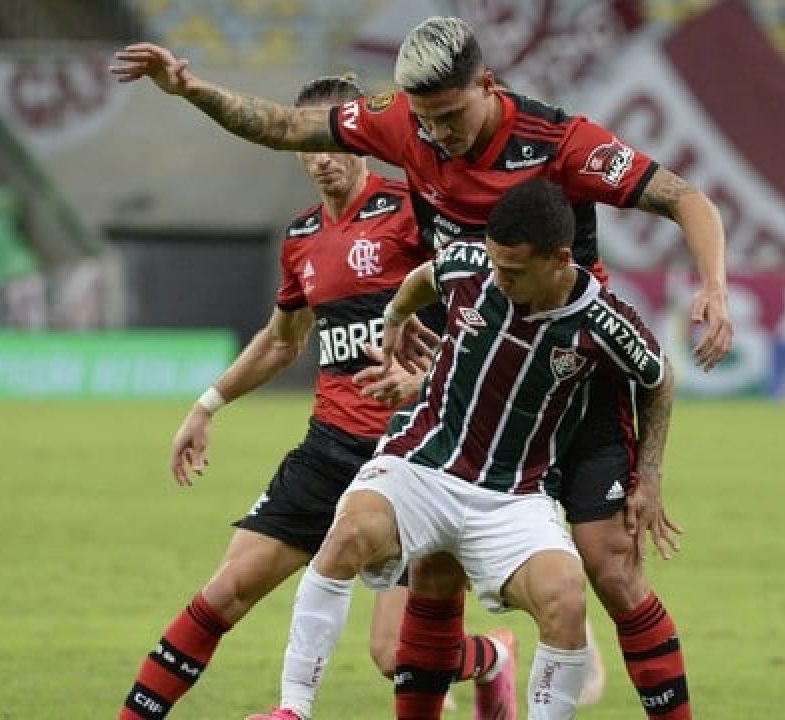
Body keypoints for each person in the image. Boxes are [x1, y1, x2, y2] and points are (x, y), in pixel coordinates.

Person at [112, 17, 718, 718]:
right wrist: (187, 87)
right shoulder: (387, 150)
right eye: (425, 121)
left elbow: (683, 199)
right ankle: (332, 697)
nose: (437, 136)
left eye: (451, 116)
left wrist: (714, 286)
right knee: (415, 576)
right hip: (425, 409)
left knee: (609, 572)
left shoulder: (558, 145)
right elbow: (283, 130)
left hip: (563, 377)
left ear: (487, 87)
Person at [117, 75, 516, 720]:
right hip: (329, 450)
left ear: (359, 138)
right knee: (226, 591)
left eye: (334, 140)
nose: (322, 156)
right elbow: (283, 340)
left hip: (419, 456)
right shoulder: (302, 235)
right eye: (310, 144)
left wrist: (440, 366)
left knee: (396, 654)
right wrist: (207, 404)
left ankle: (493, 658)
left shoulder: (414, 211)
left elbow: (484, 302)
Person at [244, 178, 676, 720]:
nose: (498, 279)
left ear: (560, 260)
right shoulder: (471, 265)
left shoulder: (602, 322)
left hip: (516, 495)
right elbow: (424, 277)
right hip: (423, 465)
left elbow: (658, 379)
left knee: (566, 599)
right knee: (348, 533)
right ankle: (294, 710)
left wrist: (649, 476)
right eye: (495, 264)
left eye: (514, 271)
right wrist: (396, 323)